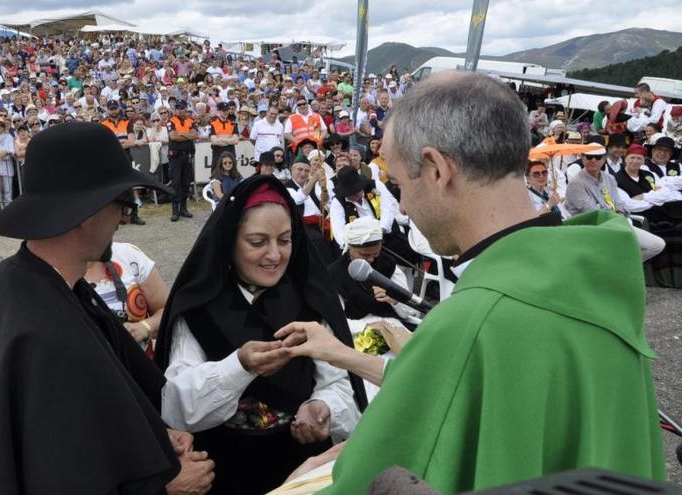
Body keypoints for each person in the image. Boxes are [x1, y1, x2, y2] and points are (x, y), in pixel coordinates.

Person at [281, 71, 665, 494]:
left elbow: (369, 478)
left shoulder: (475, 320)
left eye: (401, 183)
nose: (404, 203)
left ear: (437, 169)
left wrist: (305, 483)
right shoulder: (592, 276)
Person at [0, 123, 215, 495]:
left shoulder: (23, 282)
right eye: (122, 204)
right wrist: (165, 488)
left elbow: (93, 417)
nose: (123, 218)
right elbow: (59, 476)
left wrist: (154, 436)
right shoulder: (43, 331)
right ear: (87, 211)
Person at [155, 175, 367, 495]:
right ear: (229, 240)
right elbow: (177, 407)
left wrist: (324, 407)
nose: (274, 255)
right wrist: (239, 366)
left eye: (284, 240)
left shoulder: (312, 300)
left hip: (299, 467)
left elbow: (339, 384)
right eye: (257, 242)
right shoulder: (199, 308)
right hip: (222, 467)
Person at [565, 144, 666, 261]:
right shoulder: (576, 183)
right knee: (622, 248)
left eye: (597, 157)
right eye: (589, 157)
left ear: (604, 159)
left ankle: (622, 264)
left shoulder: (609, 178)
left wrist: (621, 213)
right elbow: (592, 212)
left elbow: (619, 203)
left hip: (617, 223)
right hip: (592, 228)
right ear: (582, 158)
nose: (593, 160)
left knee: (657, 245)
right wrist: (616, 217)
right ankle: (617, 265)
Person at [85, 241, 170, 355]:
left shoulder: (129, 255)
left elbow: (167, 311)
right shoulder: (55, 271)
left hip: (141, 368)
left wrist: (145, 327)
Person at [326, 217, 415, 324]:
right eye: (365, 255)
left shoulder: (387, 263)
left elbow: (409, 312)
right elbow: (336, 320)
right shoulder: (335, 273)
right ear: (350, 247)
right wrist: (367, 328)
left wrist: (394, 301)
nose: (371, 259)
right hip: (357, 331)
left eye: (376, 253)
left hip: (392, 324)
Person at [285, 151, 336, 263]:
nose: (303, 173)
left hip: (321, 224)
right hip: (303, 227)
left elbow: (325, 202)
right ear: (292, 170)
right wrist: (314, 179)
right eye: (300, 170)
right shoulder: (287, 187)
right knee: (318, 241)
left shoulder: (309, 186)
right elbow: (297, 199)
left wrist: (324, 188)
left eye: (306, 171)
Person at [167, 101, 196, 222]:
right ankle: (175, 210)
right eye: (177, 108)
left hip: (187, 156)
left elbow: (195, 135)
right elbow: (173, 136)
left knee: (186, 182)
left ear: (185, 109)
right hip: (175, 157)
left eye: (182, 108)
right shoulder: (171, 121)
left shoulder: (191, 120)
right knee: (176, 183)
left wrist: (182, 134)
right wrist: (187, 135)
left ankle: (183, 209)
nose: (180, 110)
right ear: (175, 110)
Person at [208, 101, 239, 168]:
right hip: (218, 154)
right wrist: (229, 140)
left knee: (232, 175)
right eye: (223, 110)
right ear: (218, 111)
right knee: (216, 176)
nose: (226, 112)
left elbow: (235, 141)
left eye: (227, 110)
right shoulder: (213, 123)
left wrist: (221, 138)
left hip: (230, 154)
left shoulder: (233, 124)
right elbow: (214, 141)